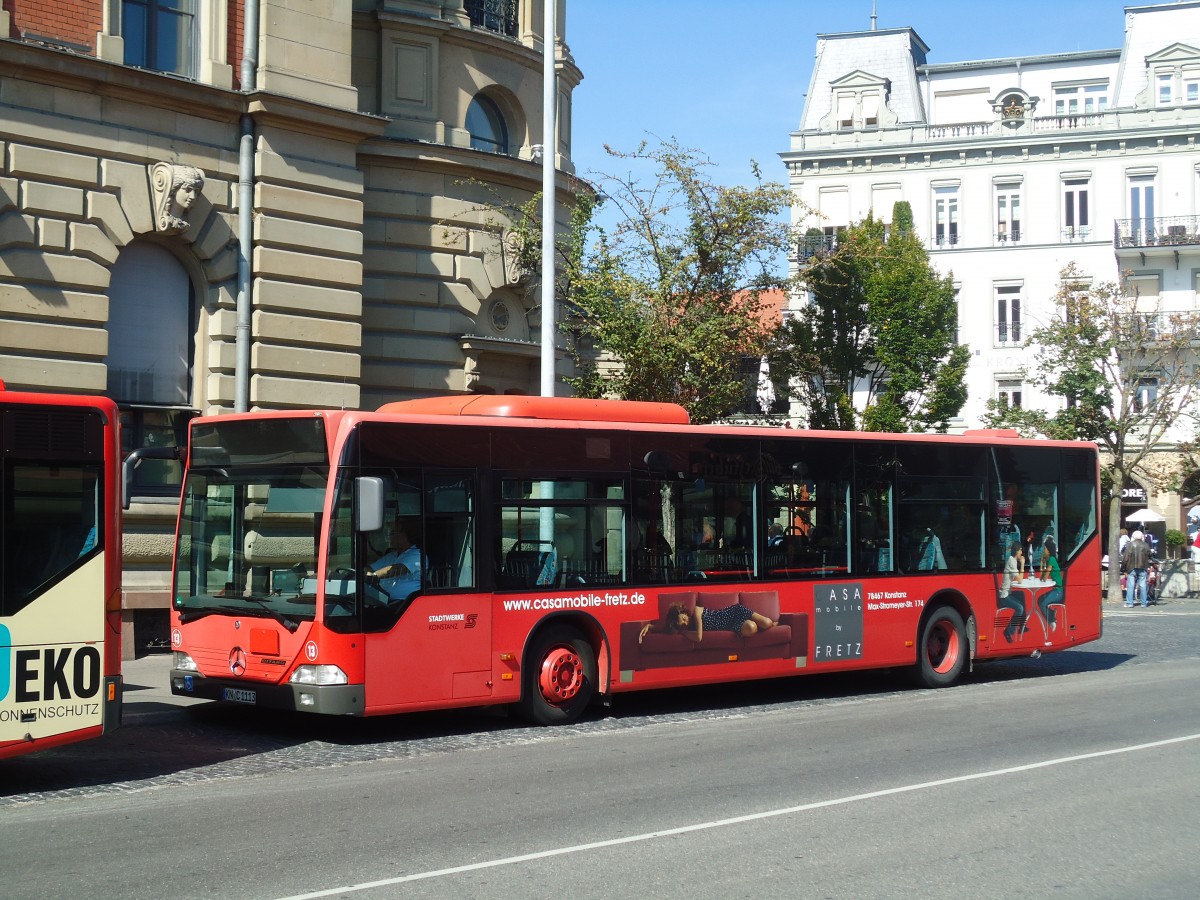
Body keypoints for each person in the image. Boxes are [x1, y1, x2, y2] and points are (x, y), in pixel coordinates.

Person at [638, 600, 777, 644]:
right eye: (682, 624)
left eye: (684, 618)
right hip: (732, 626)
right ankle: (762, 627)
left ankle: (773, 625)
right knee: (751, 628)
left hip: (734, 612)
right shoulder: (687, 628)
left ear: (683, 612)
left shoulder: (697, 611)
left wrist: (682, 631)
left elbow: (699, 638)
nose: (685, 622)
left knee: (767, 622)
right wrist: (650, 626)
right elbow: (666, 630)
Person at [366, 518, 423, 600]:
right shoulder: (391, 555)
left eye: (393, 533)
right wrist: (365, 573)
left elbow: (395, 570)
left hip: (405, 603)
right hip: (383, 601)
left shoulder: (417, 555)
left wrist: (373, 576)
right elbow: (370, 568)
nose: (390, 537)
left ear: (405, 536)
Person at [998, 542, 1027, 642]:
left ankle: (1022, 624)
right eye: (1020, 550)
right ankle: (1008, 631)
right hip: (1004, 596)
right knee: (1019, 608)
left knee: (1021, 594)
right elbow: (1020, 580)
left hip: (1008, 592)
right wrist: (1023, 564)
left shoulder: (1013, 560)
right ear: (1016, 551)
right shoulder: (1011, 561)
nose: (1021, 553)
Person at [1037, 538, 1065, 630]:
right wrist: (1042, 563)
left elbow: (1044, 579)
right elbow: (1042, 577)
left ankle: (1051, 621)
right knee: (1039, 600)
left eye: (1044, 548)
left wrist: (1044, 564)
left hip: (1059, 592)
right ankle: (1052, 613)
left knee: (1042, 604)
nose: (1043, 550)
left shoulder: (1052, 560)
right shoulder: (1050, 560)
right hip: (1056, 590)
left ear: (1048, 550)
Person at [1123, 529, 1151, 608]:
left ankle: (1130, 603)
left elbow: (1125, 558)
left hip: (1131, 567)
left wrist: (1123, 568)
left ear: (1133, 536)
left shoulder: (1130, 545)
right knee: (1143, 585)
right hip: (1143, 566)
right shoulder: (1146, 545)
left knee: (1131, 586)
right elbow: (1149, 555)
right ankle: (1144, 603)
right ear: (1141, 537)